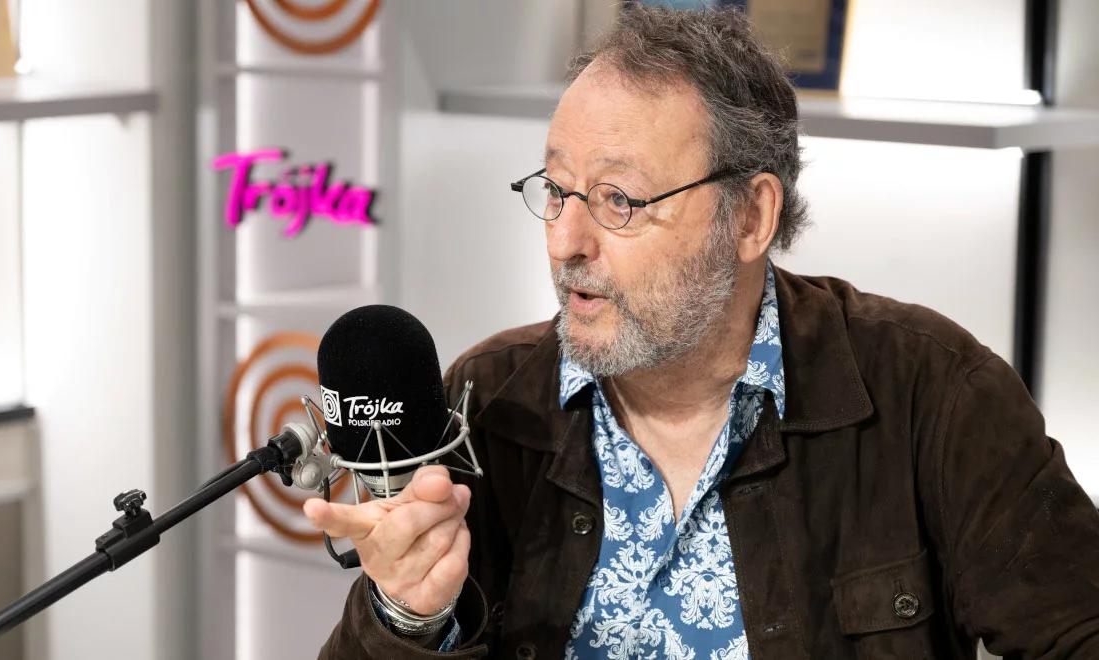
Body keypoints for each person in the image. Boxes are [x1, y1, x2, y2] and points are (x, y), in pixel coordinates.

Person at [306, 6, 1099, 658]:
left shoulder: (932, 392)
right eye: (558, 189)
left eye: (619, 200)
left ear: (750, 217)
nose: (564, 241)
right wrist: (407, 618)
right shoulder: (488, 404)